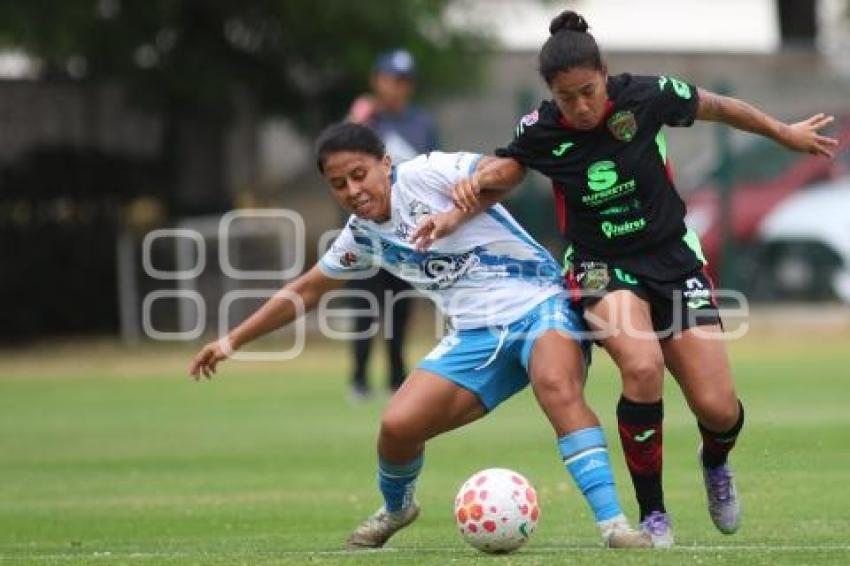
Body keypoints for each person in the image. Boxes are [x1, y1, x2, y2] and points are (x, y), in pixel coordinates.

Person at [417, 10, 839, 548]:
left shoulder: (645, 96)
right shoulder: (541, 129)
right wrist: (455, 213)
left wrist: (783, 133)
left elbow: (719, 106)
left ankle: (715, 463)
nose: (582, 106)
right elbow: (507, 172)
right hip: (599, 266)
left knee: (717, 407)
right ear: (552, 93)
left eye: (589, 92)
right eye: (568, 98)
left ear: (605, 74)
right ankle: (654, 513)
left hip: (672, 260)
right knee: (642, 365)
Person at [189, 122, 650, 549]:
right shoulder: (362, 237)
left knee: (556, 386)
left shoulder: (427, 173)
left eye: (359, 174)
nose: (352, 190)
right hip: (475, 335)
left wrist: (468, 193)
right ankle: (397, 509)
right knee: (397, 427)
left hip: (541, 302)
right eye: (338, 184)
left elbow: (509, 171)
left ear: (385, 164)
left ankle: (614, 526)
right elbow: (306, 290)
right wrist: (230, 342)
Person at [344, 49, 440, 400]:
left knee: (400, 310)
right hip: (368, 234)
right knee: (364, 308)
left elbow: (433, 172)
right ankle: (358, 379)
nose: (397, 87)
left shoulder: (421, 123)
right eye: (391, 79)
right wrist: (355, 120)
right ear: (377, 80)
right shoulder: (366, 120)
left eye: (404, 81)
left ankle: (397, 379)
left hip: (407, 234)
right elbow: (339, 160)